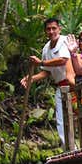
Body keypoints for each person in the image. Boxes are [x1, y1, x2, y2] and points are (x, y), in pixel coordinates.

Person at [21, 17, 73, 146]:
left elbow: (63, 60)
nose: (51, 31)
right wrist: (31, 78)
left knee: (80, 115)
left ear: (59, 29)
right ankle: (67, 147)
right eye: (48, 29)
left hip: (74, 84)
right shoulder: (46, 49)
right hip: (60, 86)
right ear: (45, 32)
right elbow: (47, 71)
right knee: (61, 119)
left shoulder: (64, 41)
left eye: (54, 28)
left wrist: (41, 62)